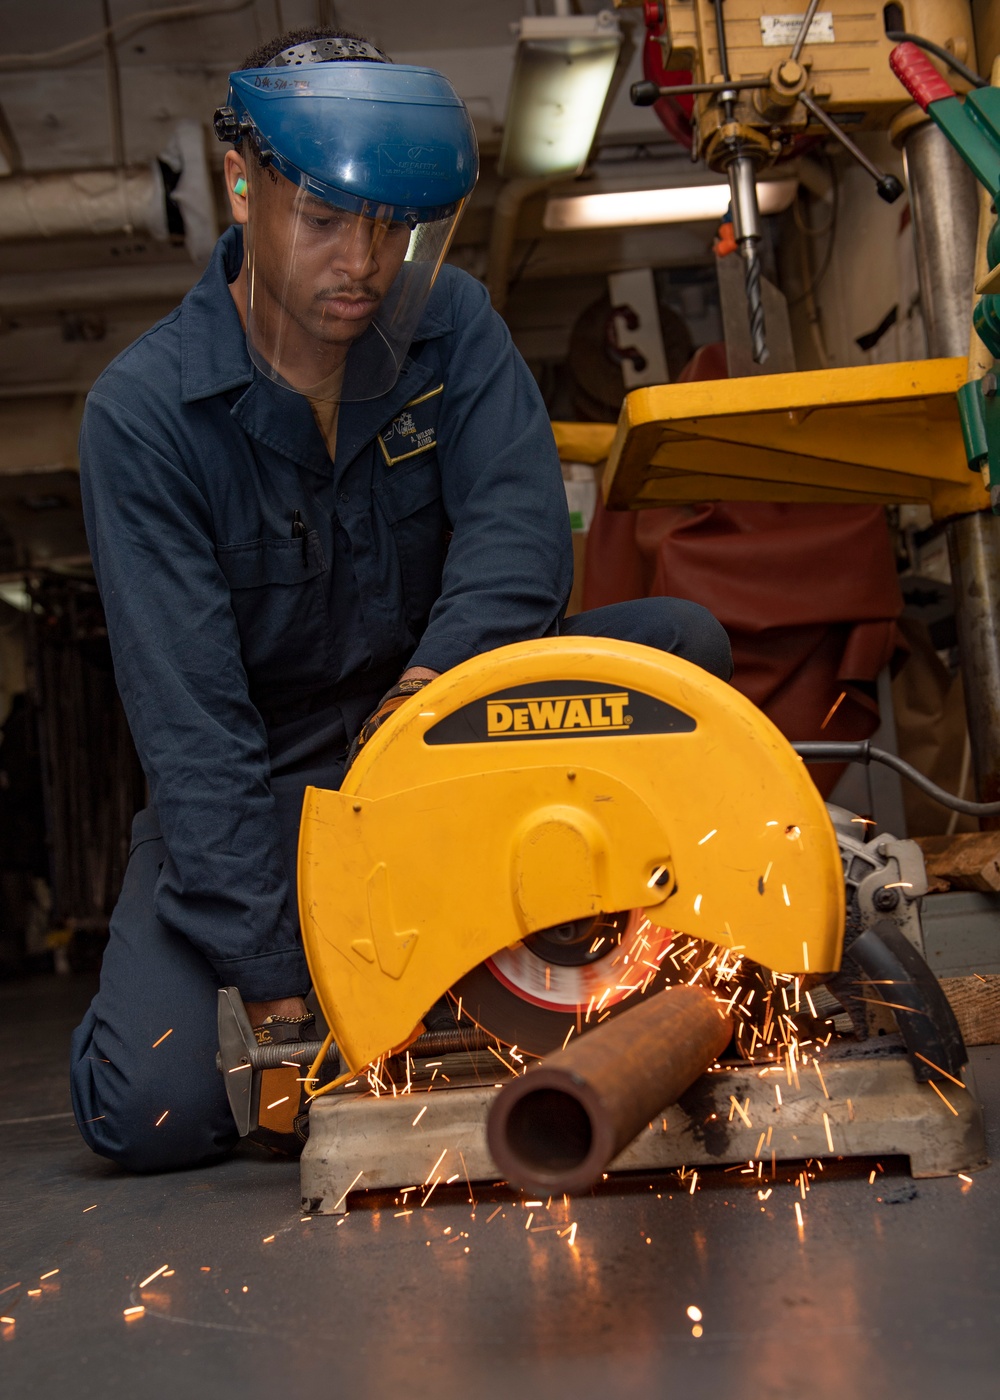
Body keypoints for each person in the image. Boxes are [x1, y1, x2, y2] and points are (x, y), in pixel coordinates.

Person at [70, 27, 732, 1172]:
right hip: (273, 782)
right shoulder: (144, 418)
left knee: (678, 649)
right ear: (244, 185)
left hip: (453, 730)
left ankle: (647, 946)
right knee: (154, 1111)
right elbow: (196, 733)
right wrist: (281, 1004)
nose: (362, 264)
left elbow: (520, 543)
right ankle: (351, 967)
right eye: (325, 221)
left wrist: (428, 707)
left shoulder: (452, 325)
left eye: (389, 228)